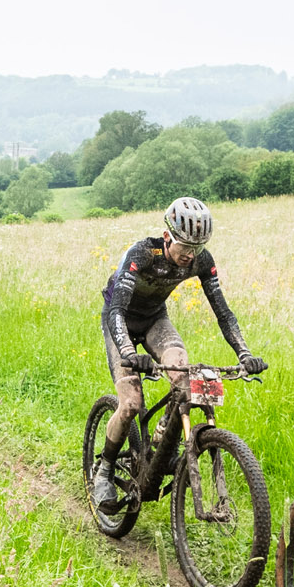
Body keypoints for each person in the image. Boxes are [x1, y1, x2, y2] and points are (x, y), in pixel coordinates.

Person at [89, 196, 266, 514]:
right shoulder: (143, 254)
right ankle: (104, 469)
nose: (190, 255)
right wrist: (129, 352)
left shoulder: (201, 260)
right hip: (120, 320)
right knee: (130, 404)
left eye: (197, 247)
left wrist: (245, 353)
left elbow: (223, 312)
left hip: (155, 320)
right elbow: (116, 310)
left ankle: (162, 443)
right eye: (185, 246)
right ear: (167, 236)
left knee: (186, 379)